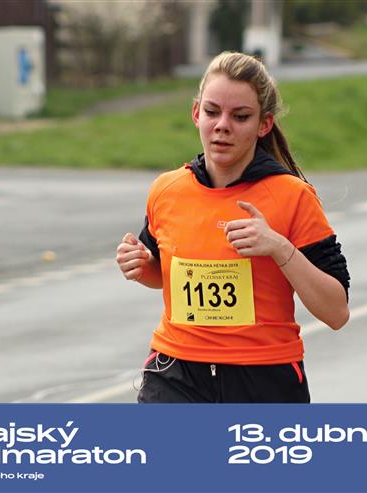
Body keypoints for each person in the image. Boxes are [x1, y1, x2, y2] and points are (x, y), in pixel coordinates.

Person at [116, 51, 350, 403]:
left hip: (263, 378)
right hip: (176, 372)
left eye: (240, 116)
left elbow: (336, 312)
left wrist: (280, 248)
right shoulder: (167, 190)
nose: (222, 125)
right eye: (212, 112)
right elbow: (161, 274)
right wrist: (140, 264)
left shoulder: (292, 196)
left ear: (264, 124)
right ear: (196, 113)